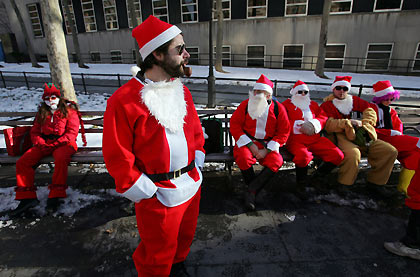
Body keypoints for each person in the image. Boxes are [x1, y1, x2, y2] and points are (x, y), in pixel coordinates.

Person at [102, 16, 205, 276]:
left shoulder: (182, 89)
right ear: (157, 54)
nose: (187, 54)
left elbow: (194, 131)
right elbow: (117, 156)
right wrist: (146, 191)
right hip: (158, 194)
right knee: (156, 254)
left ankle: (178, 265)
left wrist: (198, 162)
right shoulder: (123, 101)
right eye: (179, 49)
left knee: (184, 237)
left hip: (191, 183)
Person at [11, 83, 83, 216]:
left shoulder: (70, 112)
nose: (50, 101)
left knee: (61, 159)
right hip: (45, 144)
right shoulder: (42, 113)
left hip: (64, 144)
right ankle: (27, 197)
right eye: (47, 98)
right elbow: (35, 131)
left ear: (59, 98)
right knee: (23, 162)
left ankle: (56, 194)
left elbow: (72, 133)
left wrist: (56, 143)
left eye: (53, 97)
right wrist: (41, 142)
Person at [368, 80, 420, 259]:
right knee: (415, 145)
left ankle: (405, 187)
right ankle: (408, 189)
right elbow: (371, 128)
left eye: (391, 98)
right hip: (384, 140)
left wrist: (396, 132)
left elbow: (399, 127)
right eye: (387, 98)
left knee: (415, 155)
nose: (390, 101)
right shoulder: (373, 109)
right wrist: (390, 133)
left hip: (397, 140)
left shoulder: (392, 111)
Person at [320, 76, 397, 195]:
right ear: (333, 89)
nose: (341, 91)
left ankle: (376, 183)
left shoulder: (356, 101)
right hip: (340, 136)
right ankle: (345, 184)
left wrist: (365, 123)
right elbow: (327, 124)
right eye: (338, 88)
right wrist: (347, 123)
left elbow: (370, 111)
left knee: (389, 151)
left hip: (362, 134)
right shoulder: (327, 105)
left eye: (344, 88)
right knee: (353, 154)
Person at [230, 74, 290, 210]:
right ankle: (253, 191)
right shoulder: (245, 105)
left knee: (276, 161)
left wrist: (267, 150)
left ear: (269, 96)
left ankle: (251, 190)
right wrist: (250, 145)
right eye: (255, 91)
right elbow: (235, 125)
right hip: (247, 142)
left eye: (261, 92)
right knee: (243, 158)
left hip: (268, 144)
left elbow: (284, 132)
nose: (256, 94)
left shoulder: (278, 109)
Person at [282, 80, 344, 194]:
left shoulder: (313, 105)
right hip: (296, 140)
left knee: (337, 155)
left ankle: (316, 178)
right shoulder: (285, 105)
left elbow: (323, 117)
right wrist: (297, 125)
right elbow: (281, 121)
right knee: (303, 156)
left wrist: (314, 124)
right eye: (300, 92)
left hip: (315, 138)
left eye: (305, 92)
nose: (303, 95)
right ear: (294, 93)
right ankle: (300, 184)